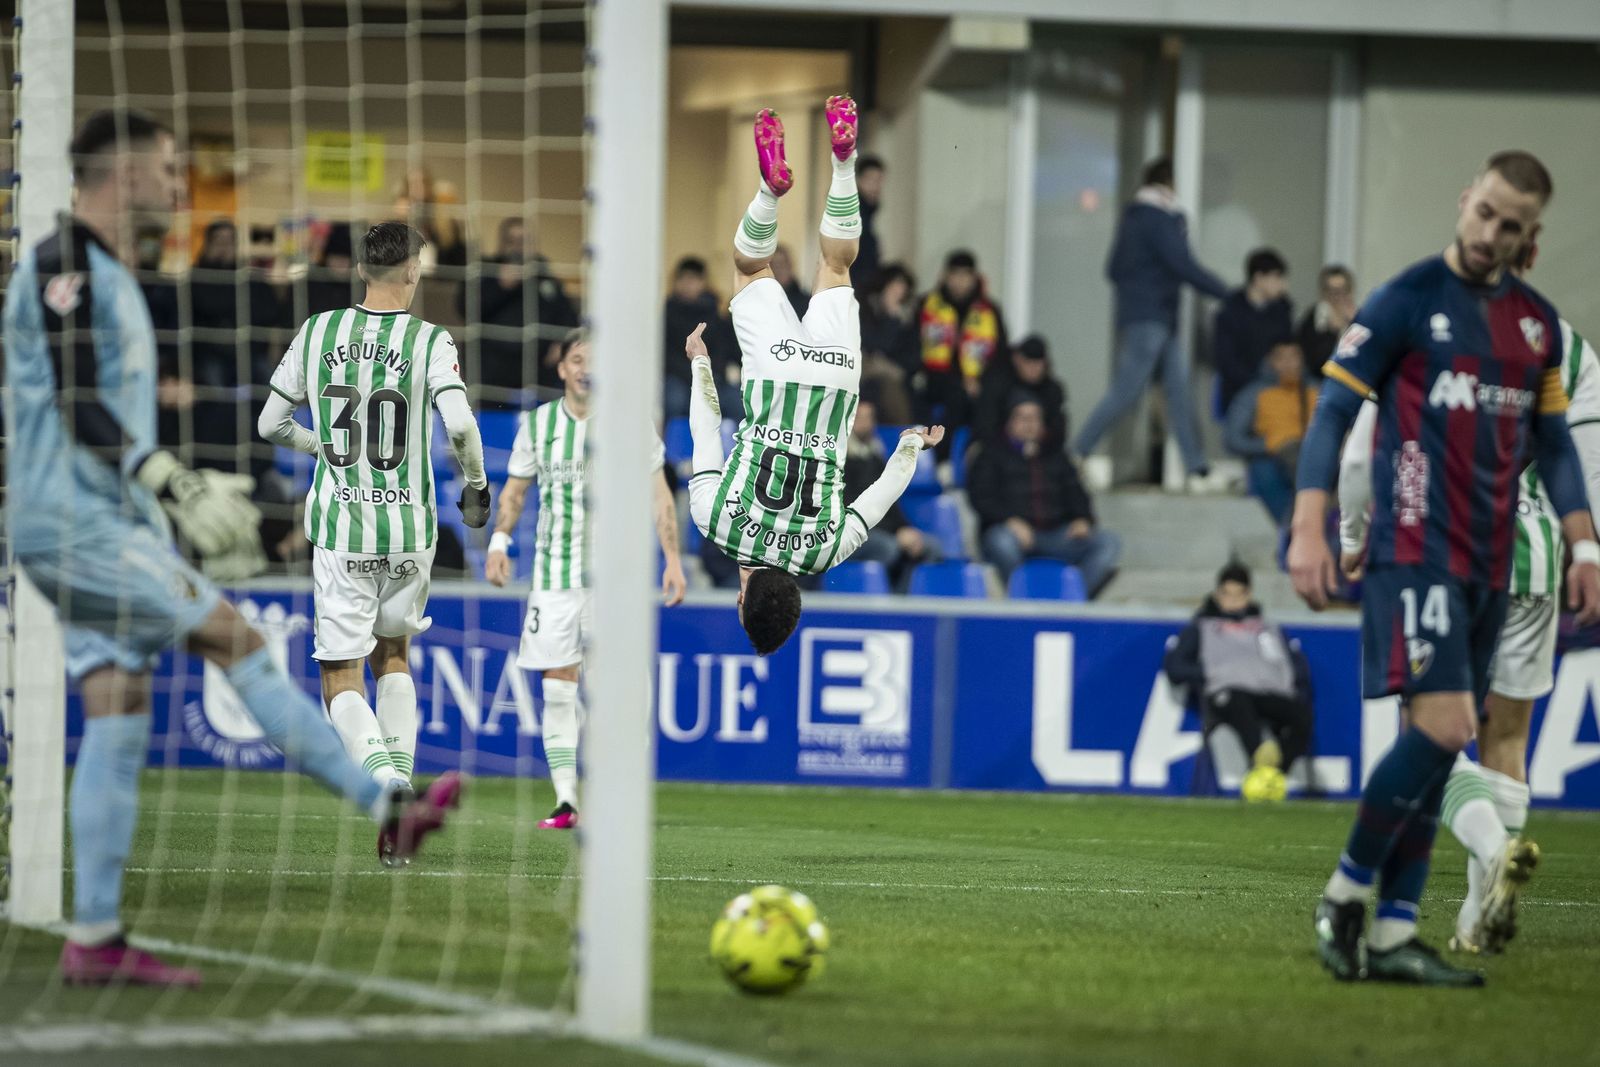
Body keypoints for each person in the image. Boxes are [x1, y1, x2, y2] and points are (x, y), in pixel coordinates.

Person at [3, 110, 457, 987]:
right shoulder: (66, 266)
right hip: (77, 519)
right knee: (234, 637)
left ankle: (93, 937)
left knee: (117, 702)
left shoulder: (112, 273)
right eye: (168, 169)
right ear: (124, 173)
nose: (179, 186)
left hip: (100, 515)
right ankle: (385, 801)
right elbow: (72, 396)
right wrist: (168, 476)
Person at [1289, 150, 1600, 986]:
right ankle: (1347, 894)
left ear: (1529, 239)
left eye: (1511, 225)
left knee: (1441, 744)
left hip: (1492, 565)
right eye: (1484, 211)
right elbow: (1331, 416)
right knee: (1448, 728)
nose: (1489, 232)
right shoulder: (1406, 301)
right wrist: (1311, 525)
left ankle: (1393, 933)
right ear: (1465, 200)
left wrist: (1585, 545)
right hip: (1413, 548)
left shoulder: (1533, 327)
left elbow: (1559, 449)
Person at [258, 220, 487, 866]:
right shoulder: (430, 338)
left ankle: (391, 792)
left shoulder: (318, 332)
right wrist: (476, 489)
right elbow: (463, 424)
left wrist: (321, 447)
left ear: (362, 269)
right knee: (395, 655)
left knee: (340, 674)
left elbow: (270, 422)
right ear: (413, 271)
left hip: (343, 529)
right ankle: (402, 802)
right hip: (410, 530)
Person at [685, 97, 943, 656]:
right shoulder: (716, 523)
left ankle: (845, 164)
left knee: (836, 267)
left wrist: (908, 446)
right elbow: (706, 429)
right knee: (751, 266)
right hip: (775, 378)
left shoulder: (824, 552)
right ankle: (769, 192)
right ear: (740, 599)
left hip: (833, 388)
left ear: (798, 593)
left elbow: (879, 496)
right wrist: (701, 363)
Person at [484, 329, 687, 829]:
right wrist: (498, 542)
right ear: (562, 368)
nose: (585, 368)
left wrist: (673, 559)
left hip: (613, 579)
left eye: (594, 360)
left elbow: (660, 494)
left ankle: (621, 794)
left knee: (619, 685)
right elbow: (514, 492)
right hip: (554, 576)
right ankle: (566, 801)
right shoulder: (538, 424)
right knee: (558, 682)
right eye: (577, 359)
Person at [1074, 157, 1231, 488]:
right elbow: (1182, 264)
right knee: (1129, 391)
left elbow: (1114, 269)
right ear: (1169, 182)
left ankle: (1197, 468)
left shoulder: (1133, 217)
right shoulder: (1160, 217)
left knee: (1178, 391)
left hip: (1149, 318)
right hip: (1154, 317)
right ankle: (1077, 452)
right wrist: (1227, 294)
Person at [1163, 561, 1314, 801]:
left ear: (1249, 594)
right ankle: (1260, 761)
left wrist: (1290, 681)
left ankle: (1270, 772)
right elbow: (1175, 667)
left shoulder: (1268, 628)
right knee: (1239, 705)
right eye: (1227, 594)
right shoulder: (1202, 627)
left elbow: (1296, 667)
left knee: (1301, 716)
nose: (1232, 600)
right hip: (1227, 693)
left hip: (1267, 693)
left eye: (1238, 594)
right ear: (1217, 594)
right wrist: (1210, 673)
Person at [968, 398, 1122, 595]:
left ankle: (1070, 597)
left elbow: (1077, 493)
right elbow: (981, 497)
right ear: (1010, 422)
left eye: (1034, 419)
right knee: (1001, 542)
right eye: (1023, 418)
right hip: (1013, 534)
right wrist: (1009, 520)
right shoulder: (990, 454)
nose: (1029, 424)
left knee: (1108, 542)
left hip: (1057, 535)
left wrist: (1083, 519)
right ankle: (1023, 595)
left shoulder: (1057, 455)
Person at [458, 217, 578, 405]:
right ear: (502, 243)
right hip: (492, 371)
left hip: (538, 371)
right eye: (513, 241)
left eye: (525, 241)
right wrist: (500, 286)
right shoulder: (483, 270)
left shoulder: (544, 275)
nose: (519, 247)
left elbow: (569, 316)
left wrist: (561, 343)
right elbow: (465, 309)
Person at [843, 392, 942, 589]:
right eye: (859, 417)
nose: (865, 422)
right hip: (853, 529)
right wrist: (895, 534)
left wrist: (904, 529)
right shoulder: (841, 459)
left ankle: (906, 603)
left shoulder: (876, 456)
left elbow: (891, 501)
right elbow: (852, 505)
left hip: (885, 529)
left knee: (932, 547)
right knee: (888, 548)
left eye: (869, 417)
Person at [1224, 339, 1317, 527]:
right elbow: (1233, 438)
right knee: (1264, 470)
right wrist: (1269, 444)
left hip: (1312, 452)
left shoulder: (1317, 390)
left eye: (1294, 356)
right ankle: (1293, 527)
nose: (1289, 363)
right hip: (1274, 455)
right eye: (1282, 358)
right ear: (1271, 362)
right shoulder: (1254, 394)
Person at [917, 249, 1007, 436]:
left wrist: (979, 380)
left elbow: (1000, 354)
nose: (959, 282)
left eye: (965, 276)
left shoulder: (989, 311)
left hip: (978, 380)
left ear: (974, 278)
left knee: (992, 397)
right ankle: (941, 457)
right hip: (935, 378)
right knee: (955, 396)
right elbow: (913, 345)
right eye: (954, 275)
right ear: (945, 276)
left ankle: (980, 452)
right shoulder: (926, 305)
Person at [1212, 248, 1293, 414]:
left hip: (1276, 390)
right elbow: (1226, 361)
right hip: (1239, 391)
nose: (1282, 285)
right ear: (1259, 278)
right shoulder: (1230, 313)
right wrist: (1255, 383)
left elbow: (1287, 351)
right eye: (1277, 277)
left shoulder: (1282, 311)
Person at [662, 255, 740, 419]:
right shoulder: (667, 314)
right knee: (674, 400)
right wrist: (694, 373)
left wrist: (708, 374)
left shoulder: (716, 314)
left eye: (693, 279)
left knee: (736, 401)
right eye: (683, 279)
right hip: (678, 379)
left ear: (703, 282)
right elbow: (666, 354)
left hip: (712, 377)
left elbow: (724, 351)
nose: (687, 284)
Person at [975, 334, 1069, 449]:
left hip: (1042, 450)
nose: (1033, 369)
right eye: (1028, 363)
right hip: (999, 448)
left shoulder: (1052, 391)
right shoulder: (997, 385)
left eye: (1037, 363)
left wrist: (1043, 438)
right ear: (1017, 359)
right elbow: (985, 425)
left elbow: (1058, 429)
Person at [857, 262, 920, 424]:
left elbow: (913, 358)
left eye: (901, 287)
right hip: (866, 372)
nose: (897, 292)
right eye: (893, 286)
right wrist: (891, 319)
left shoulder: (910, 317)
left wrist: (895, 318)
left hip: (898, 377)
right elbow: (876, 344)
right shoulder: (866, 310)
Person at [1297, 265, 1356, 373]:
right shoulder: (1313, 318)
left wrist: (1353, 323)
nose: (1338, 297)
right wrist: (1332, 331)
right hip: (1318, 378)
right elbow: (1316, 362)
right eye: (1333, 291)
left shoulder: (1358, 317)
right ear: (1323, 292)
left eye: (1343, 290)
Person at [849, 154, 885, 290]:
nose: (876, 186)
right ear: (858, 179)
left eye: (879, 180)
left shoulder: (868, 212)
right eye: (871, 180)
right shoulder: (855, 212)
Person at [770, 244, 810, 317]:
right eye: (774, 265)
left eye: (781, 264)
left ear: (790, 266)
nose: (778, 270)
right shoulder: (762, 300)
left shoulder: (807, 303)